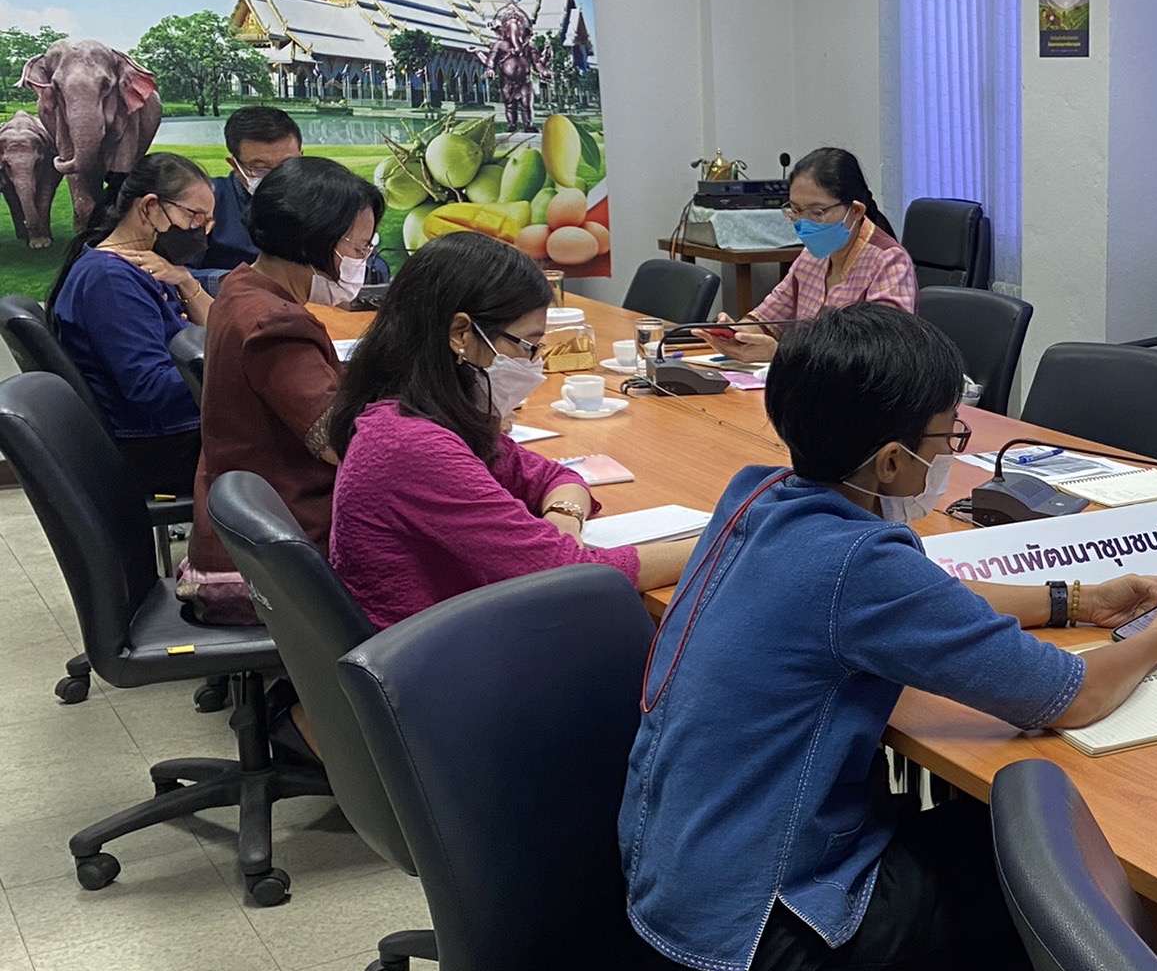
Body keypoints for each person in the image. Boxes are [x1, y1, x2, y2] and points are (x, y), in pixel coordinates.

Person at [623, 302, 1157, 971]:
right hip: (751, 945)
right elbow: (1069, 696)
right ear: (892, 463)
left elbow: (920, 599)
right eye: (949, 437)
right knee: (1050, 887)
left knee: (981, 836)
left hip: (675, 890)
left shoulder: (760, 498)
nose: (956, 454)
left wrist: (1076, 596)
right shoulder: (858, 561)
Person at [326, 232, 693, 627]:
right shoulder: (412, 445)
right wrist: (718, 545)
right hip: (449, 656)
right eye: (528, 345)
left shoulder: (418, 415)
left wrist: (564, 518)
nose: (534, 363)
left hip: (449, 634)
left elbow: (553, 477)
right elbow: (568, 573)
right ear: (461, 334)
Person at [179, 159, 384, 623]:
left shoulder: (241, 287)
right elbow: (339, 444)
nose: (363, 260)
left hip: (242, 531)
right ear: (316, 241)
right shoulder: (276, 322)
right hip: (271, 564)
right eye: (359, 247)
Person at [47, 153, 215, 499]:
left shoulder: (146, 267)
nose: (199, 231)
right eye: (194, 217)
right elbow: (152, 388)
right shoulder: (110, 281)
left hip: (165, 433)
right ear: (150, 207)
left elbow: (218, 330)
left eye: (207, 222)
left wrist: (185, 281)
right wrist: (229, 375)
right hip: (157, 447)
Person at [708, 147, 916, 361]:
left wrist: (779, 355)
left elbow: (881, 356)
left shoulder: (889, 262)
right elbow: (768, 318)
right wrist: (737, 334)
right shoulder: (812, 255)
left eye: (817, 212)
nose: (804, 223)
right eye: (796, 211)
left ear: (855, 211)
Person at [200, 106, 304, 274]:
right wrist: (235, 281)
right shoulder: (205, 202)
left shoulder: (324, 199)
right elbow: (175, 273)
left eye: (287, 165)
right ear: (235, 165)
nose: (276, 177)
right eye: (260, 168)